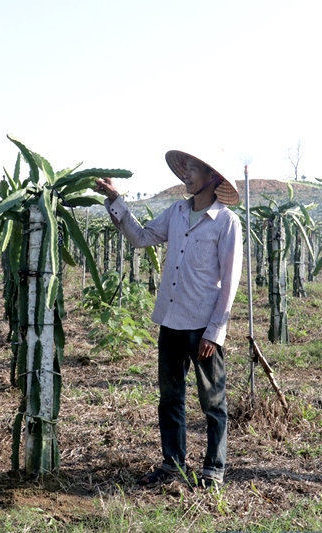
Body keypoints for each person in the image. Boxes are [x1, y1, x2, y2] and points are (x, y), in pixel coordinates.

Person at [94, 149, 242, 489]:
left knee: (213, 401)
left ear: (213, 178)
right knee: (171, 398)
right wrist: (116, 200)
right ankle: (172, 464)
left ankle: (213, 470)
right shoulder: (175, 212)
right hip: (171, 322)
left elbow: (230, 283)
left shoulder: (226, 222)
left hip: (203, 327)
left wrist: (215, 332)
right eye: (186, 168)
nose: (187, 174)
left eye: (194, 169)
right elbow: (142, 238)